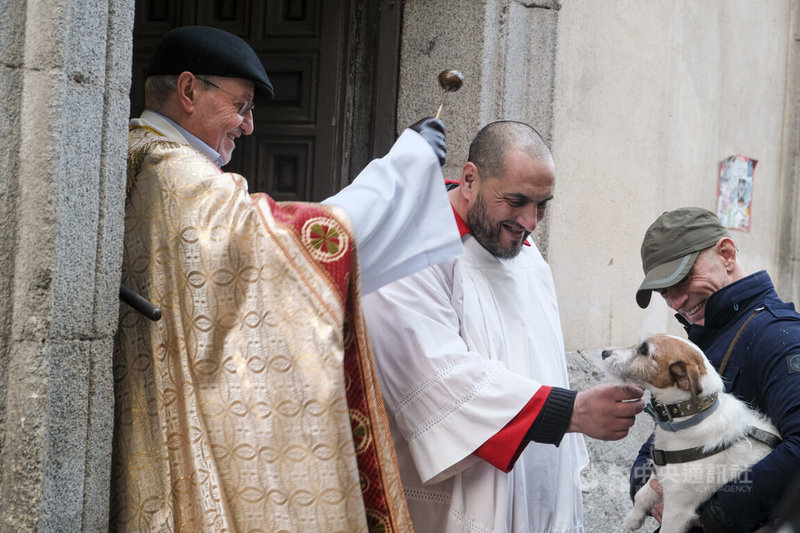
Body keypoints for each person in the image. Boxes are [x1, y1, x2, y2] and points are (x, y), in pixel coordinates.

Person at [111, 25, 463, 532]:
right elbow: (304, 248)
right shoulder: (176, 177)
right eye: (242, 106)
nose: (249, 126)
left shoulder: (138, 153)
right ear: (189, 90)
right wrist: (407, 169)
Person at [361, 120, 645, 532]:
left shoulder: (528, 258)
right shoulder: (409, 252)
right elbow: (439, 382)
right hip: (460, 495)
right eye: (516, 200)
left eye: (542, 204)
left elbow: (544, 363)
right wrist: (571, 410)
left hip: (537, 487)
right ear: (471, 179)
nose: (530, 221)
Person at [631, 207, 800, 531]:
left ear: (727, 253)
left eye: (682, 279)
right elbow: (667, 439)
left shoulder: (779, 337)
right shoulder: (702, 341)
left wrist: (710, 517)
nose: (676, 301)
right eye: (664, 291)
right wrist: (645, 491)